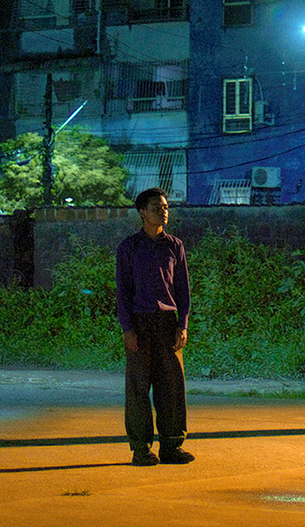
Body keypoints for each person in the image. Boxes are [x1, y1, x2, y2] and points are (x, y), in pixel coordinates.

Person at [115, 187, 195, 466]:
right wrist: (127, 328)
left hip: (167, 324)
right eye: (156, 208)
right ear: (142, 213)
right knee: (138, 388)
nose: (163, 211)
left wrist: (182, 326)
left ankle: (171, 446)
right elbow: (122, 292)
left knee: (171, 386)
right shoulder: (129, 248)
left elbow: (183, 291)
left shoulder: (175, 246)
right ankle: (141, 448)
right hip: (139, 322)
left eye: (165, 207)